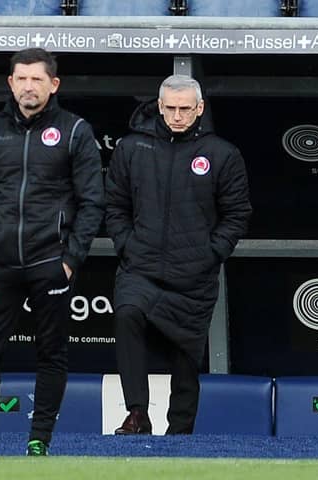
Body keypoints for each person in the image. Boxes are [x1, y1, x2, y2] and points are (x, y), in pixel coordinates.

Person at [0, 48, 105, 457]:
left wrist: (70, 260)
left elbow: (92, 202)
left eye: (37, 79)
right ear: (10, 83)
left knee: (51, 354)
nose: (28, 86)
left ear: (54, 85)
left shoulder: (74, 131)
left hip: (49, 263)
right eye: (21, 79)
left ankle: (39, 441)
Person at [105, 74, 252, 435]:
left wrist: (210, 253)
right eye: (170, 108)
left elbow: (237, 215)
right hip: (140, 265)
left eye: (185, 108)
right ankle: (137, 414)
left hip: (194, 274)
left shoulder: (222, 154)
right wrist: (126, 244)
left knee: (186, 356)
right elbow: (115, 205)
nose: (177, 115)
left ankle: (180, 431)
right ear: (159, 106)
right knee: (127, 315)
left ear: (199, 108)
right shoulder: (132, 147)